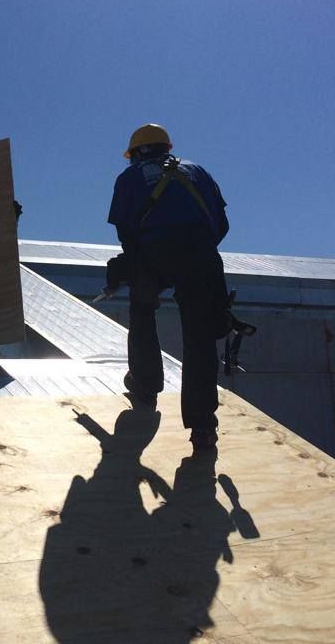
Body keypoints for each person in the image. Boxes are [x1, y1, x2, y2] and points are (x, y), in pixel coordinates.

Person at [107, 123, 230, 451]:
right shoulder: (198, 171)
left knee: (142, 310)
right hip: (202, 254)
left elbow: (125, 233)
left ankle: (146, 389)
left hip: (154, 251)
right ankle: (203, 427)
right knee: (200, 336)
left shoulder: (130, 178)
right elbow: (221, 224)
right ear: (167, 148)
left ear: (135, 153)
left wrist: (138, 267)